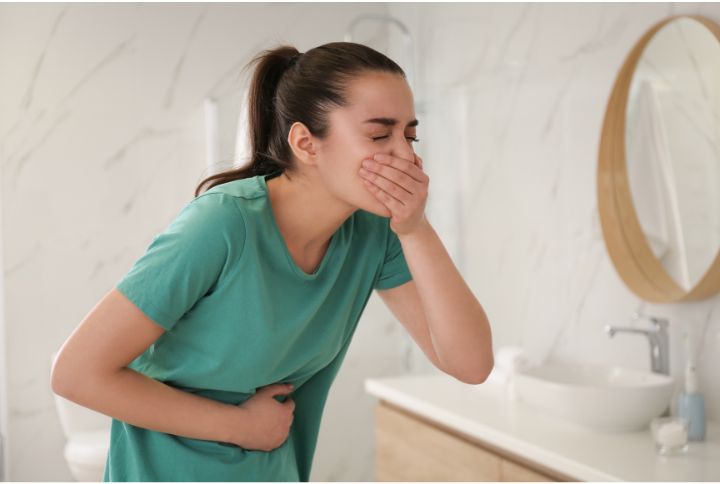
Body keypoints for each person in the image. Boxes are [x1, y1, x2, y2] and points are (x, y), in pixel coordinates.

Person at [51, 41, 488, 482]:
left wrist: (416, 228)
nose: (407, 156)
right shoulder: (223, 224)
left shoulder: (376, 232)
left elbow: (471, 365)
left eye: (410, 136)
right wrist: (240, 426)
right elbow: (76, 374)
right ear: (305, 143)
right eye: (380, 135)